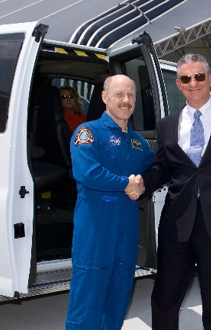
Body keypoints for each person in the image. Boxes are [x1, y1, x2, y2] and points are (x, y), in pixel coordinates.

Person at [137, 53, 211, 329]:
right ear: (178, 84)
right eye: (186, 78)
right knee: (164, 298)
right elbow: (162, 167)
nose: (193, 83)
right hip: (177, 224)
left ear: (210, 79)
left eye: (199, 76)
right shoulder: (167, 125)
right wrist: (141, 184)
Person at [64, 75, 154, 330]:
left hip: (127, 224)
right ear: (104, 97)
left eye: (131, 95)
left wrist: (144, 183)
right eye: (119, 94)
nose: (126, 101)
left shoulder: (138, 142)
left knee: (119, 291)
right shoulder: (88, 133)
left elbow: (154, 168)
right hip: (96, 225)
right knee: (89, 293)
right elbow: (87, 172)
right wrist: (127, 184)